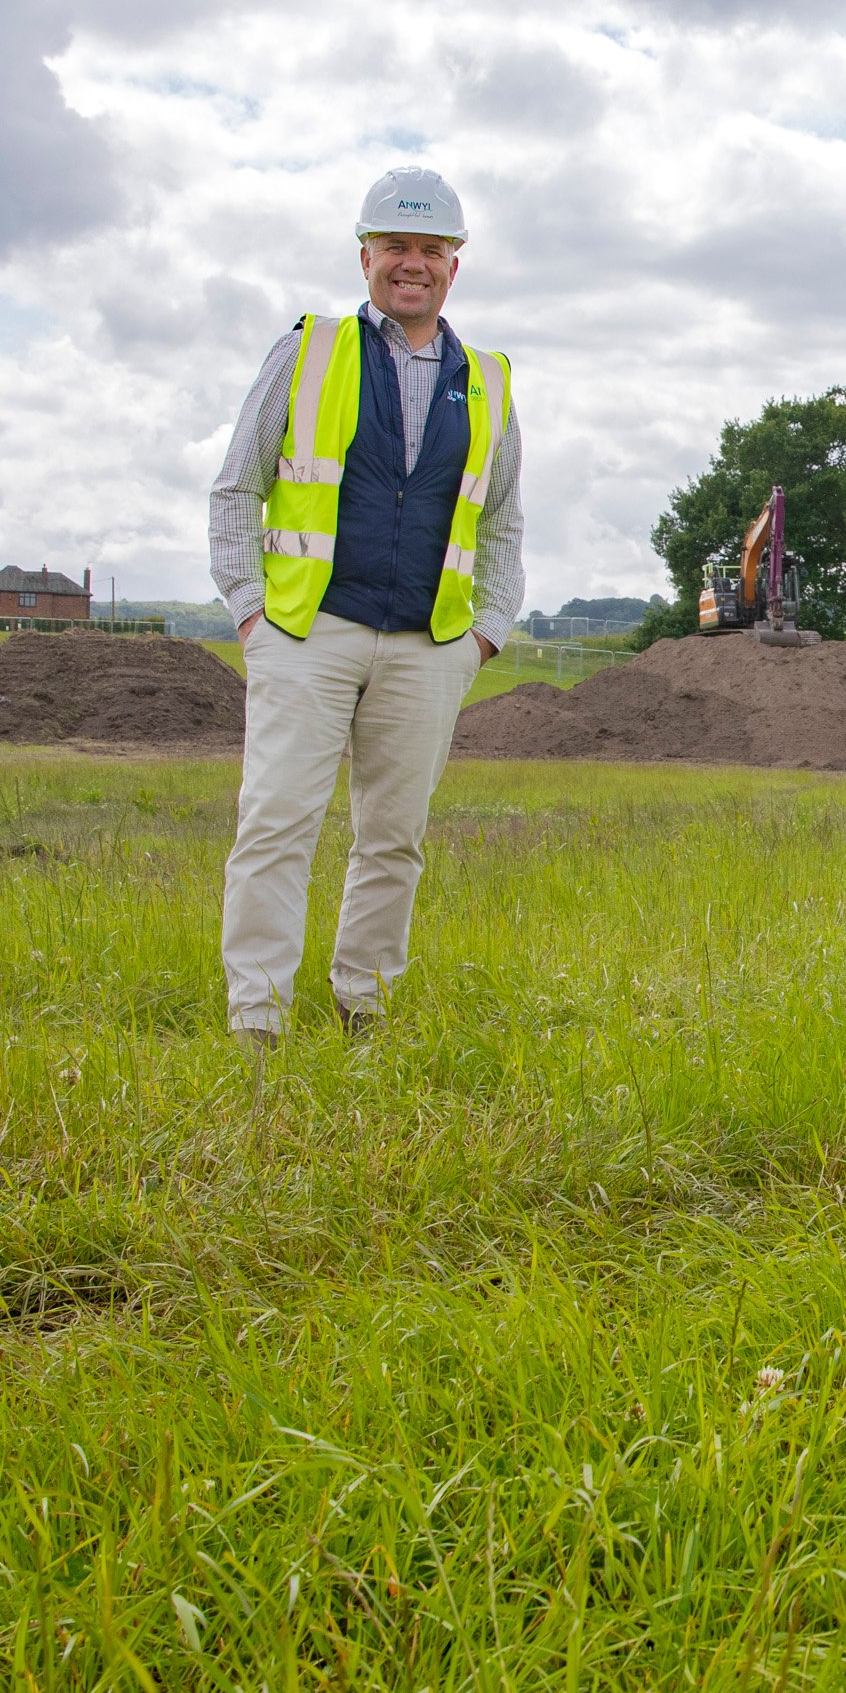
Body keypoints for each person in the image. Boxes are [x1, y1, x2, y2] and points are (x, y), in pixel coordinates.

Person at [207, 167, 524, 1050]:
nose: (413, 265)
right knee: (276, 826)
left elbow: (503, 525)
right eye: (396, 248)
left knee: (393, 839)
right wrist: (250, 614)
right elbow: (236, 487)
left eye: (432, 249)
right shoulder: (306, 351)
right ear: (366, 257)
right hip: (309, 633)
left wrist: (482, 637)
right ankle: (257, 1022)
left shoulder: (490, 380)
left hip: (429, 647)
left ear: (454, 266)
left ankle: (365, 1012)